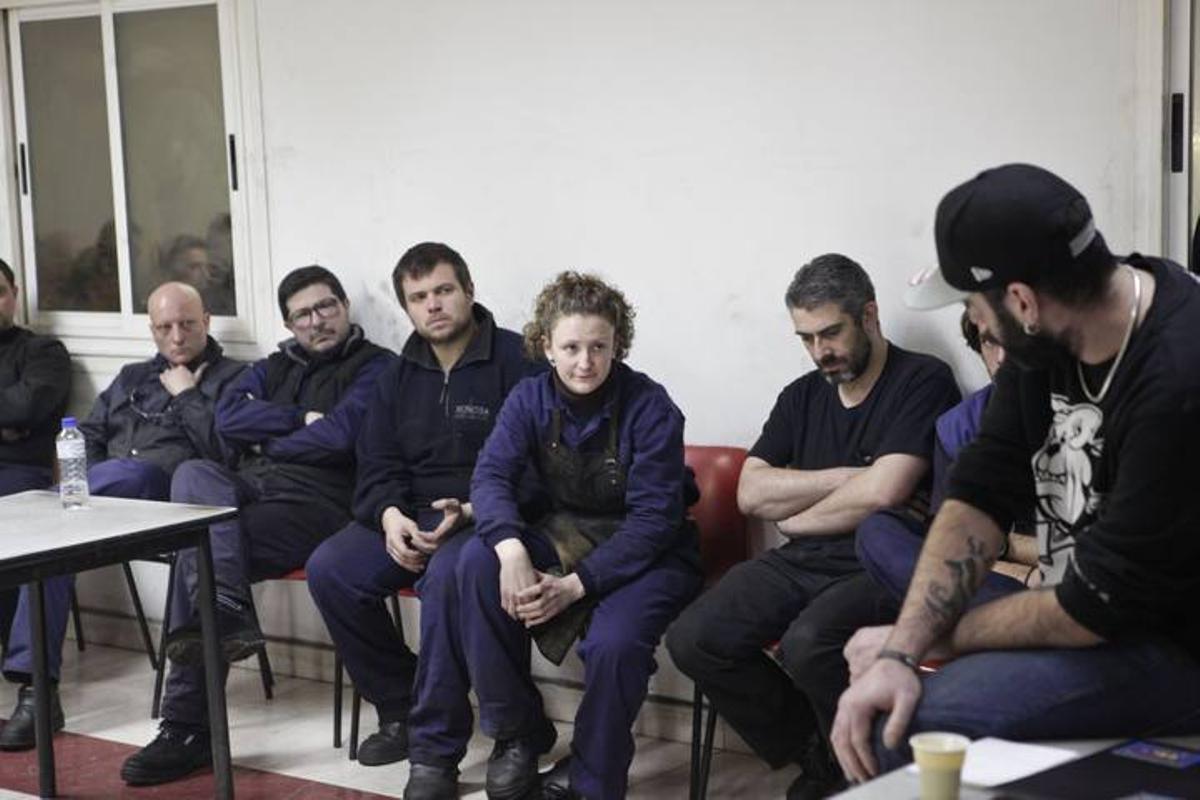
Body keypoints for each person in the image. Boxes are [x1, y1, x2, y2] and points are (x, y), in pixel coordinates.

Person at [831, 164, 1200, 784]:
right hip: (1084, 599)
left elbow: (1094, 609)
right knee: (883, 538)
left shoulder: (1178, 377)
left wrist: (918, 642)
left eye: (974, 307)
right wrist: (903, 648)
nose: (978, 326)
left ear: (1023, 301)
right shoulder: (1053, 332)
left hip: (1169, 641)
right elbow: (981, 489)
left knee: (898, 724)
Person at [665, 254, 959, 799]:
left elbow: (886, 493)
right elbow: (751, 492)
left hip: (881, 563)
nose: (820, 351)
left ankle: (865, 771)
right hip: (801, 562)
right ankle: (821, 753)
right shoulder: (801, 396)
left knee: (809, 643)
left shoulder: (923, 379)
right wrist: (851, 477)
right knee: (694, 638)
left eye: (831, 333)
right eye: (806, 338)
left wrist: (798, 515)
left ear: (868, 315)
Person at [406, 272, 700, 800]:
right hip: (565, 531)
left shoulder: (651, 406)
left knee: (613, 643)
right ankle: (514, 732)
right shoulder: (529, 398)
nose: (585, 362)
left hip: (653, 550)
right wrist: (510, 547)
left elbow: (654, 522)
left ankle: (592, 782)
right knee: (473, 562)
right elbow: (491, 477)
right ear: (546, 346)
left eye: (598, 347)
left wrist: (575, 585)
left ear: (617, 344)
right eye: (570, 347)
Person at [120, 265, 394, 786]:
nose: (316, 321)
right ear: (288, 324)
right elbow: (227, 421)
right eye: (302, 315)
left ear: (344, 306)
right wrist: (299, 421)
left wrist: (266, 438)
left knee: (198, 545)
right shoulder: (273, 366)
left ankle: (186, 728)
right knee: (194, 474)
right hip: (250, 488)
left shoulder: (378, 367)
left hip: (318, 502)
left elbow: (342, 437)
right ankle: (225, 611)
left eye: (325, 307)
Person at [306, 242, 540, 767]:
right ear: (406, 308)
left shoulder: (520, 361)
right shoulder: (394, 376)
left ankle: (480, 730)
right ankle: (403, 708)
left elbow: (539, 468)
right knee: (331, 569)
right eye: (418, 297)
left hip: (487, 514)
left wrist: (474, 510)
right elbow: (375, 463)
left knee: (448, 576)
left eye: (443, 290)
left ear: (469, 291)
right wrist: (390, 516)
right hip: (411, 515)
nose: (432, 305)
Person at [0, 282, 244, 751]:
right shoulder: (132, 377)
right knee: (54, 546)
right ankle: (37, 692)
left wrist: (188, 396)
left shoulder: (234, 378)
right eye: (165, 327)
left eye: (187, 324)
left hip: (168, 499)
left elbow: (226, 454)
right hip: (102, 500)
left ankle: (51, 510)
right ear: (152, 330)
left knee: (110, 483)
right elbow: (89, 435)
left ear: (207, 322)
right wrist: (82, 483)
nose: (177, 337)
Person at [854, 310, 1036, 606]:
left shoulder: (1087, 416)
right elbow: (950, 545)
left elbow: (1094, 550)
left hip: (1076, 582)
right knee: (878, 532)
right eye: (989, 342)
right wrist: (1022, 573)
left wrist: (1003, 545)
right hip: (1004, 581)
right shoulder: (960, 426)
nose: (1002, 358)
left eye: (1013, 339)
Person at [0, 257, 70, 497]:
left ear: (15, 294)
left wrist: (15, 417)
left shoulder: (44, 351)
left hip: (19, 470)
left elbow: (25, 407)